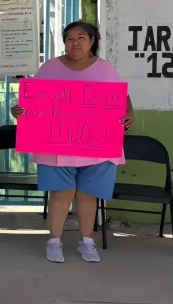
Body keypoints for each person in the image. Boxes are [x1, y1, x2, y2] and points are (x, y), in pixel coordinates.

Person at [11, 21, 135, 264]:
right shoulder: (49, 68)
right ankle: (54, 241)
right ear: (64, 42)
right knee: (60, 193)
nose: (75, 42)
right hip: (57, 145)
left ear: (92, 41)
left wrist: (130, 112)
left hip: (96, 147)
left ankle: (86, 241)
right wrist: (20, 111)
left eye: (81, 37)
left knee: (88, 195)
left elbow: (123, 95)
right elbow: (31, 102)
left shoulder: (106, 69)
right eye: (69, 38)